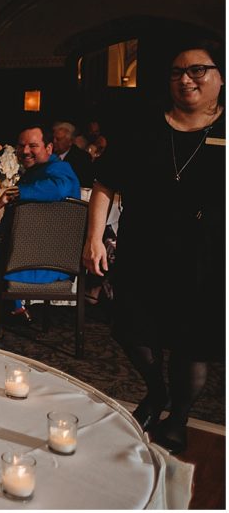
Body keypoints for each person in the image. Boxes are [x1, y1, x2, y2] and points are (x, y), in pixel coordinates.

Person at [83, 41, 224, 454]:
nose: (186, 79)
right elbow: (105, 184)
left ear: (220, 77)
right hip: (143, 246)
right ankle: (157, 391)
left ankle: (178, 417)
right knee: (131, 327)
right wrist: (94, 238)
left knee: (190, 342)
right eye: (177, 72)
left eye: (197, 70)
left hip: (207, 255)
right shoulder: (142, 125)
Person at [0, 124, 80, 343]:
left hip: (44, 263)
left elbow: (60, 189)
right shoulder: (36, 173)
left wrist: (14, 193)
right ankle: (14, 309)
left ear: (49, 148)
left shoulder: (59, 169)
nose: (25, 151)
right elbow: (16, 223)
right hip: (32, 257)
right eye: (21, 146)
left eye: (33, 145)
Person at [52, 120, 94, 188]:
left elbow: (85, 185)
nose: (54, 142)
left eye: (58, 139)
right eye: (53, 138)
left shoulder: (82, 158)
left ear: (70, 141)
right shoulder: (49, 154)